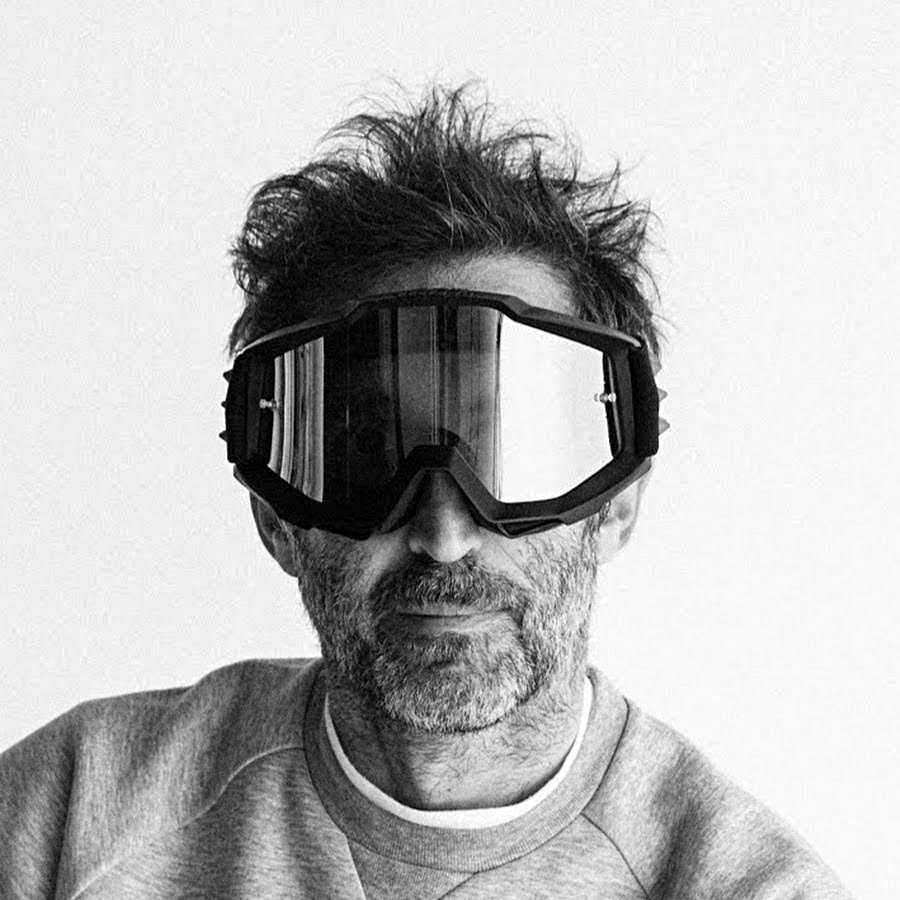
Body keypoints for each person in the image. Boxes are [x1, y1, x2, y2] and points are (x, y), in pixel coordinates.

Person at [1, 84, 851, 899]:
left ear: (616, 503)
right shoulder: (68, 817)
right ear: (275, 514)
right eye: (369, 451)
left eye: (511, 456)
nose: (444, 535)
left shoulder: (749, 887)